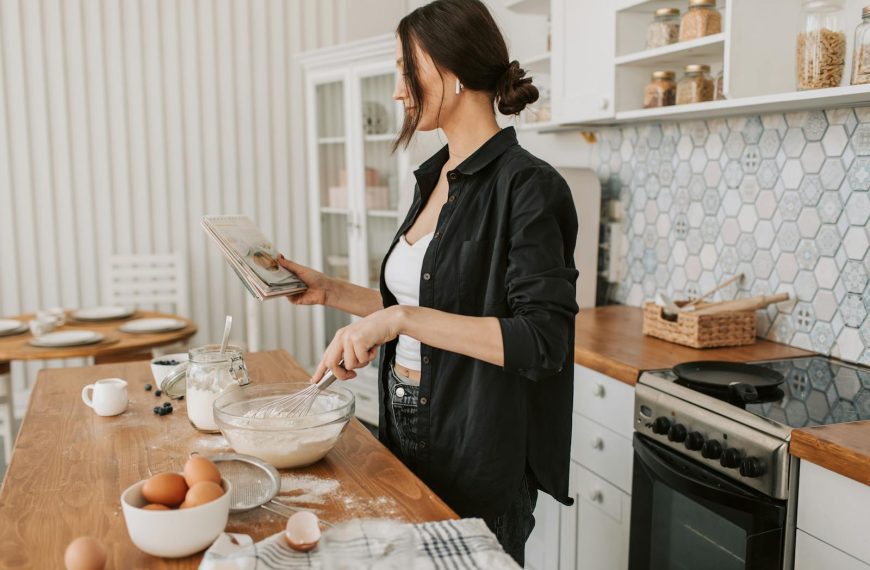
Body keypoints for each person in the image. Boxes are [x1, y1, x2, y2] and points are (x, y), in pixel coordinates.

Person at [278, 0, 578, 564]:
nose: (397, 90)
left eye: (404, 69)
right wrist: (330, 291)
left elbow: (542, 343)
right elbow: (432, 304)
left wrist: (398, 319)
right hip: (405, 419)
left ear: (454, 69)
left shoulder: (532, 189)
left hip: (479, 438)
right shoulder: (433, 178)